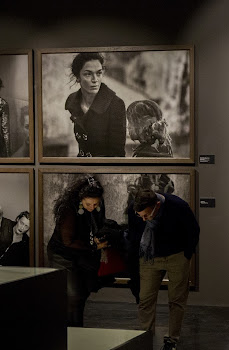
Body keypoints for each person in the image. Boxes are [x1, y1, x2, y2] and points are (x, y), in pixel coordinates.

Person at [128, 188, 199, 350]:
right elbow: (133, 234)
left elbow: (193, 230)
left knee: (176, 300)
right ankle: (145, 339)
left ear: (157, 205)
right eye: (140, 216)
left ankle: (171, 341)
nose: (143, 219)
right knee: (145, 299)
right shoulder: (135, 209)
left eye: (146, 215)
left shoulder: (177, 206)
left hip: (176, 256)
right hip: (149, 257)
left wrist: (186, 255)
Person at [47, 176, 108, 327]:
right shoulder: (69, 209)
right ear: (81, 198)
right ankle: (66, 330)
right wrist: (94, 246)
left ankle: (77, 327)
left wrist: (100, 239)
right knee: (72, 295)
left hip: (83, 254)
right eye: (88, 204)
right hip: (62, 255)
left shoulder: (98, 204)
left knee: (82, 293)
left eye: (96, 204)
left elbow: (99, 224)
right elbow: (68, 241)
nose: (92, 207)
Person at [65, 52, 126, 157]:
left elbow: (117, 154)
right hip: (82, 168)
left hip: (105, 170)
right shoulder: (73, 101)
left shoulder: (115, 104)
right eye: (88, 74)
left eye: (99, 73)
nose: (95, 80)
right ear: (78, 77)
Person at [0, 78, 10, 157]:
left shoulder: (2, 103)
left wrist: (8, 154)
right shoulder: (3, 103)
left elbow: (5, 129)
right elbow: (5, 129)